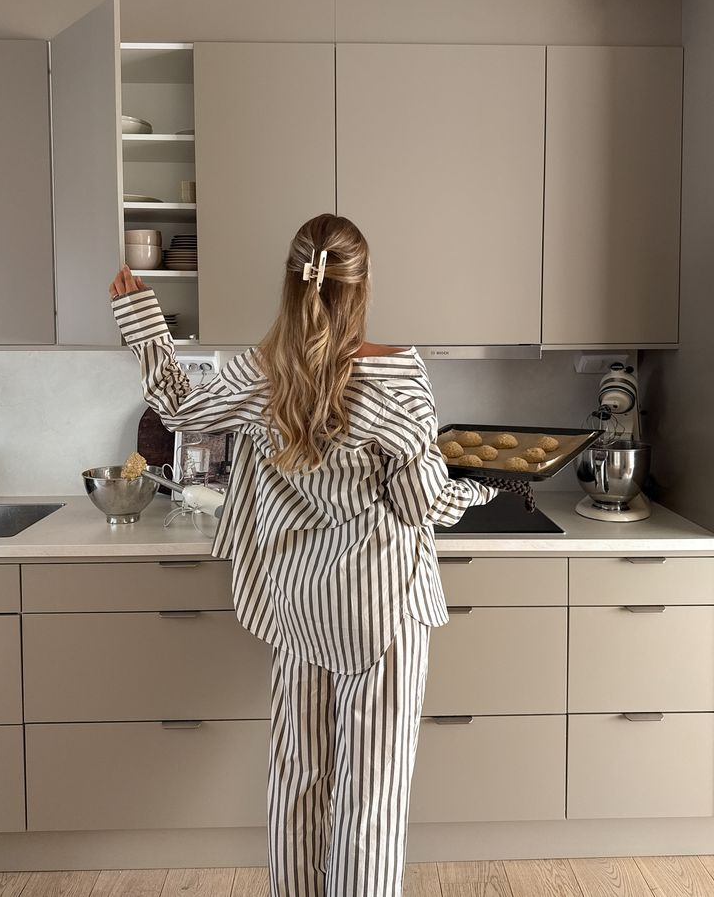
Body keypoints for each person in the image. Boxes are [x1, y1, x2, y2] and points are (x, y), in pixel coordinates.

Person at [108, 213, 499, 897]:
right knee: (370, 802)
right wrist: (480, 489)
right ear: (364, 284)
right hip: (381, 616)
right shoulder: (399, 381)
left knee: (298, 779)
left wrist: (141, 318)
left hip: (298, 607)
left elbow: (177, 410)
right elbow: (420, 507)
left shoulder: (260, 373)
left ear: (291, 283)